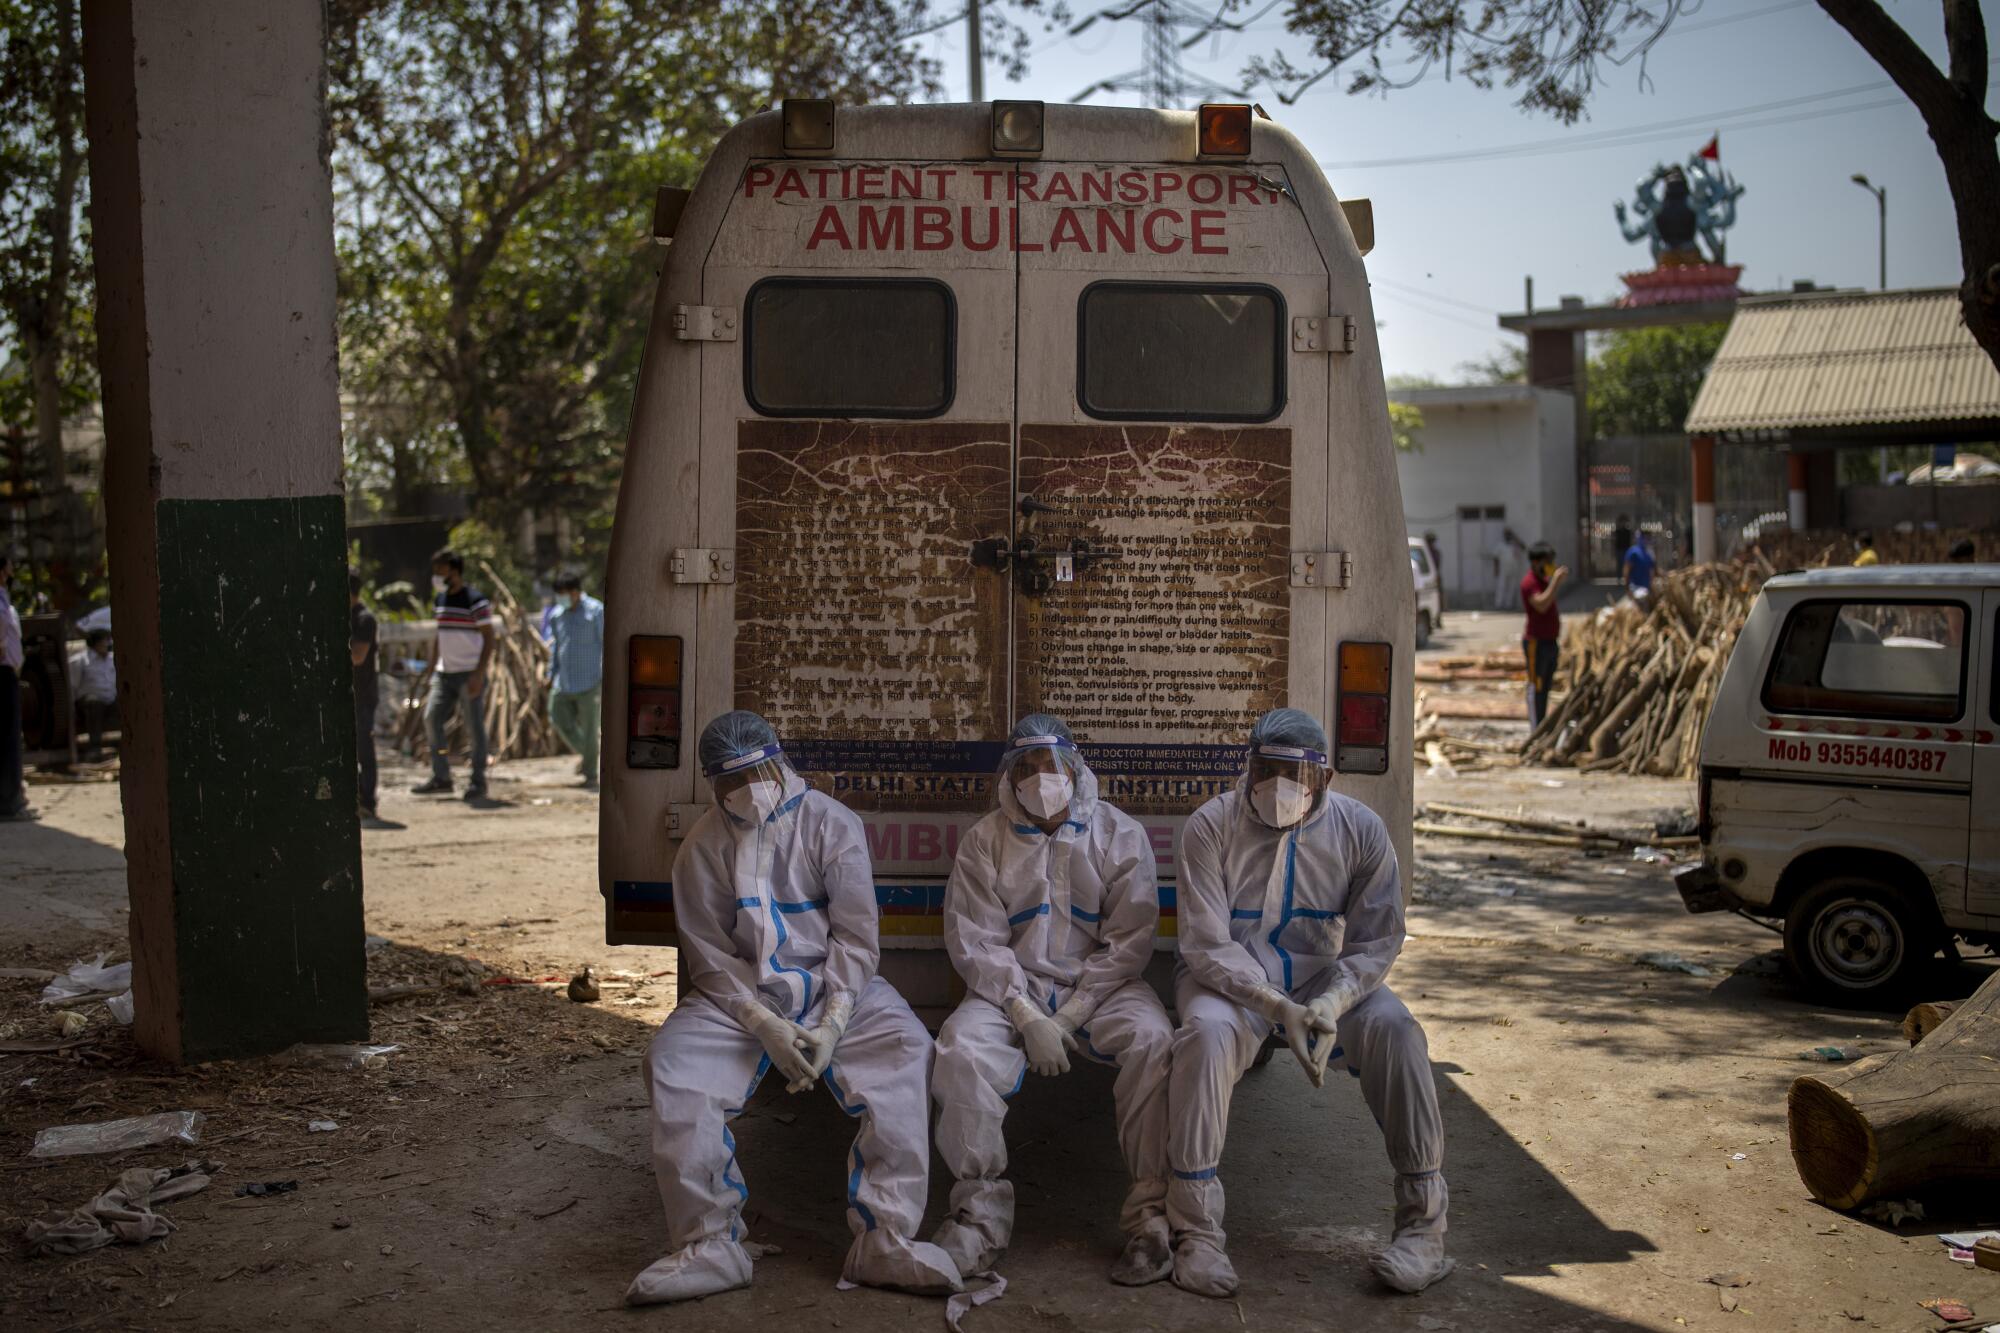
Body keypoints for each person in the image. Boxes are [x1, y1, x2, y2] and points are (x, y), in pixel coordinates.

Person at [629, 711, 963, 1305]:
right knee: (675, 1065)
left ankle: (885, 1239)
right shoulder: (702, 847)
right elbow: (708, 957)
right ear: (713, 784)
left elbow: (856, 939)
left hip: (835, 988)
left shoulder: (832, 824)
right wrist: (761, 1022)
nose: (751, 787)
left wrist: (834, 1021)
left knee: (904, 1048)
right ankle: (710, 1244)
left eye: (759, 771)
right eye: (734, 779)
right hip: (738, 1002)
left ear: (780, 762)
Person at [1166, 709, 1449, 1299]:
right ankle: (1195, 1233)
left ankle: (1424, 1230)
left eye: (1296, 773)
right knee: (1206, 1037)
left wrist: (1334, 1000)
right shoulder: (1208, 827)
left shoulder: (1362, 830)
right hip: (1232, 985)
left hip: (1326, 982)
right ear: (1248, 767)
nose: (1279, 787)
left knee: (1397, 1029)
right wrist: (1275, 1006)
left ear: (1327, 779)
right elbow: (1206, 944)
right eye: (1267, 770)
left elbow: (1378, 939)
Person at [930, 715, 1174, 1286]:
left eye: (1053, 766)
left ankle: (1151, 1220)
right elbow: (977, 942)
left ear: (1076, 770)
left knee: (1155, 1042)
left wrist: (1066, 1017)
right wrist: (1024, 1013)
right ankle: (977, 1218)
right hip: (1008, 990)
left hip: (1104, 988)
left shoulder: (1118, 833)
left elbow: (1129, 940)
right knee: (961, 1051)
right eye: (1028, 768)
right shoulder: (986, 839)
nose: (1043, 779)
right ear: (1009, 779)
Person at [411, 548, 494, 800]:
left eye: (440, 569)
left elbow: (489, 639)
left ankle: (478, 781)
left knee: (474, 728)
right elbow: (441, 634)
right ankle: (442, 776)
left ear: (454, 570)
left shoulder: (475, 600)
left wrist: (478, 675)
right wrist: (433, 663)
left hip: (469, 674)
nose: (436, 574)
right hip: (444, 674)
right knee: (431, 718)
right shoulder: (441, 600)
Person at [544, 569, 604, 788]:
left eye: (565, 593)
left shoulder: (596, 611)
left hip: (590, 681)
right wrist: (551, 674)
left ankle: (590, 774)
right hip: (564, 681)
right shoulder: (557, 615)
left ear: (576, 592)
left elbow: (607, 643)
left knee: (590, 728)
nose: (562, 598)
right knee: (557, 716)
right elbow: (557, 648)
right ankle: (588, 752)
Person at [1521, 542, 1566, 728]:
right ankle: (1535, 729)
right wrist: (1555, 582)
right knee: (1535, 687)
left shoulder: (1544, 581)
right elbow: (1541, 605)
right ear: (1536, 562)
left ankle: (1542, 724)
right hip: (1536, 643)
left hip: (1550, 642)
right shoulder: (1529, 582)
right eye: (1547, 562)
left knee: (1545, 687)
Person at [1, 551, 31, 821]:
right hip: (2, 673)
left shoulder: (4, 598)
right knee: (8, 738)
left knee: (11, 737)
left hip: (8, 672)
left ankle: (11, 797)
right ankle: (8, 801)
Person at [350, 571, 380, 820]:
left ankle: (367, 800)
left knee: (364, 748)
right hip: (351, 695)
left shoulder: (364, 619)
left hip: (363, 694)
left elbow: (358, 657)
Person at [73, 629, 118, 762]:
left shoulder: (112, 659)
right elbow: (73, 685)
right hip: (89, 701)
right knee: (94, 703)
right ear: (95, 643)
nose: (108, 643)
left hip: (110, 698)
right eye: (105, 640)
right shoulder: (81, 660)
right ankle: (94, 748)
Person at [1489, 528, 1526, 610]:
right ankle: (1498, 604)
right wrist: (1496, 568)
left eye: (1509, 534)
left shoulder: (1515, 544)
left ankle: (1508, 605)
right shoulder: (1500, 545)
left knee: (1511, 587)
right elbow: (1495, 557)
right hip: (1503, 569)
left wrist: (1516, 538)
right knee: (1501, 586)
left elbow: (1524, 547)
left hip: (1514, 569)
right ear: (1504, 535)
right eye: (1506, 534)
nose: (1508, 536)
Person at [1621, 529, 1656, 601]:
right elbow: (1626, 571)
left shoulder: (1649, 553)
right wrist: (1627, 589)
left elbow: (1653, 571)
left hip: (1646, 589)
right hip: (1635, 588)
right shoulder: (1633, 552)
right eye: (1645, 537)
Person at [1421, 532, 1445, 625]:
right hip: (1434, 576)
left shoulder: (1433, 553)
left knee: (1437, 598)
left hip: (1434, 576)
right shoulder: (1434, 552)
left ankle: (1438, 618)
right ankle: (1438, 619)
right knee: (1436, 598)